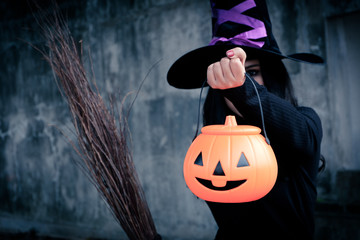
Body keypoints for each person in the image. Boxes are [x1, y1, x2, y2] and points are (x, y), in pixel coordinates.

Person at [167, 0, 324, 239]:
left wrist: (241, 88)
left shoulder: (305, 122)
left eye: (251, 72)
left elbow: (301, 135)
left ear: (272, 76)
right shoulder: (210, 147)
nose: (234, 79)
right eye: (225, 74)